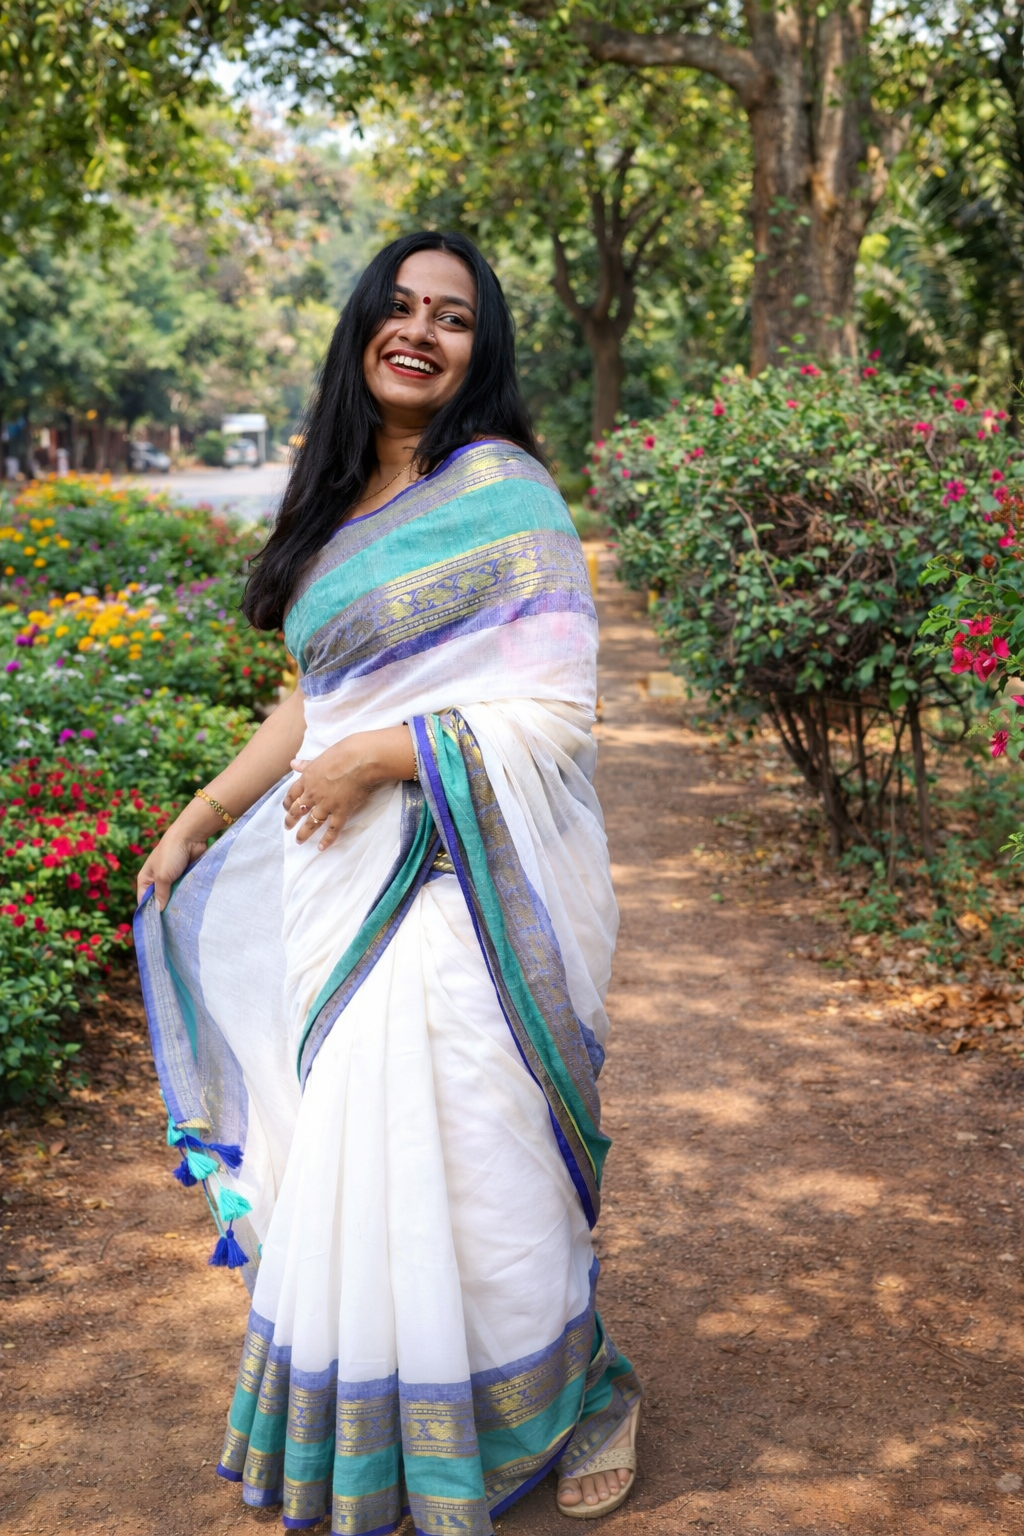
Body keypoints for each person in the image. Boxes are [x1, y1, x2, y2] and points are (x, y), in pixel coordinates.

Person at [135, 231, 640, 1533]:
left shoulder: (504, 489)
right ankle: (379, 1427)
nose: (421, 330)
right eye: (400, 307)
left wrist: (385, 754)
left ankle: (582, 1394)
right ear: (363, 327)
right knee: (359, 1157)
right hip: (334, 886)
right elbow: (311, 700)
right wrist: (196, 821)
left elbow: (559, 712)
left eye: (453, 315)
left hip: (465, 887)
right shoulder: (334, 507)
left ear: (482, 348)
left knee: (480, 1157)